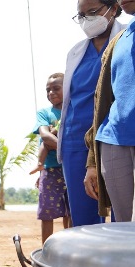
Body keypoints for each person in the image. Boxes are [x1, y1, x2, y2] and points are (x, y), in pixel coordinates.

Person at [58, 0, 124, 226]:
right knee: (83, 220)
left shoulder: (126, 39)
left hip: (117, 137)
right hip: (76, 141)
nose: (87, 20)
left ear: (113, 9)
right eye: (81, 15)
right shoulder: (75, 52)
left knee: (123, 215)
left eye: (92, 12)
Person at [85, 0, 135, 222]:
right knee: (124, 226)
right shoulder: (119, 41)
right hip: (113, 139)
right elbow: (102, 102)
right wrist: (93, 162)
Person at [32, 73, 71, 244]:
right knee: (47, 211)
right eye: (47, 90)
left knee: (71, 212)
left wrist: (55, 144)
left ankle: (70, 247)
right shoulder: (44, 113)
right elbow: (45, 137)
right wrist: (69, 150)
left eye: (56, 88)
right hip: (50, 168)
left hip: (72, 168)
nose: (51, 93)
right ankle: (46, 250)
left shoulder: (74, 109)